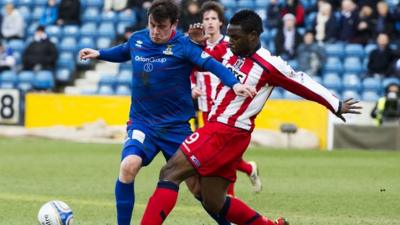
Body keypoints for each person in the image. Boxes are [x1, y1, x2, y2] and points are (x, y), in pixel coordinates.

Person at [140, 10, 362, 225]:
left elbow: (301, 81)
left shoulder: (269, 64)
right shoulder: (229, 51)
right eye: (229, 36)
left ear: (253, 36)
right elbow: (203, 61)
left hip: (224, 130)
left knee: (169, 172)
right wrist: (200, 44)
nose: (230, 42)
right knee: (213, 200)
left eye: (236, 37)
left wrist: (335, 104)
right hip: (229, 135)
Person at [78, 1, 255, 225]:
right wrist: (99, 53)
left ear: (174, 24)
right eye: (152, 25)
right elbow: (123, 51)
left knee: (199, 189)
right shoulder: (138, 39)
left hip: (176, 128)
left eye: (161, 27)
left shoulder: (184, 45)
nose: (155, 31)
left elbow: (212, 65)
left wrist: (233, 84)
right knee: (128, 166)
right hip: (143, 124)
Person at [191, 1, 262, 196]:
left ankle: (227, 196)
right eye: (206, 19)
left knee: (222, 153)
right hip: (206, 106)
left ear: (221, 22)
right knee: (216, 152)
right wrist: (192, 87)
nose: (210, 22)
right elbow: (191, 69)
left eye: (214, 18)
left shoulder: (230, 44)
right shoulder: (199, 45)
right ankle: (247, 170)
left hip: (226, 106)